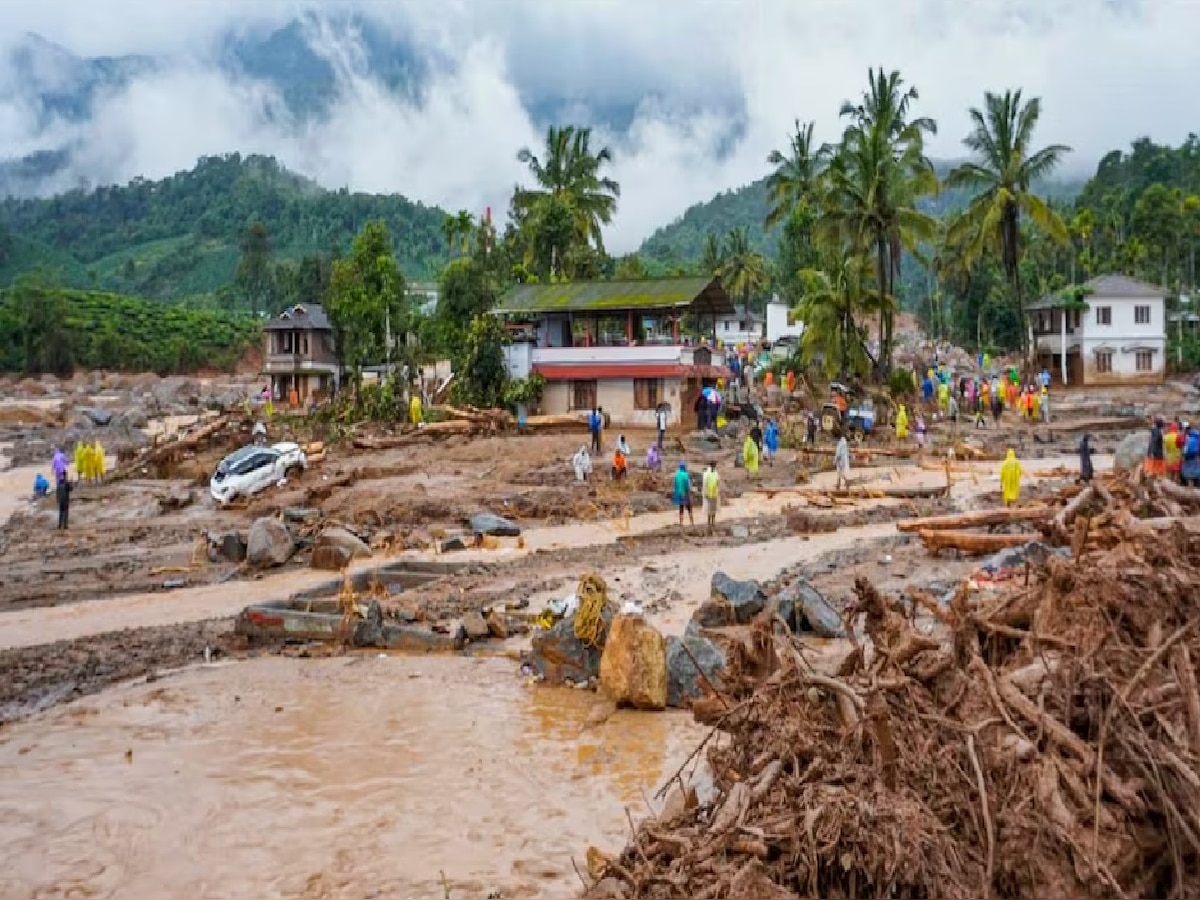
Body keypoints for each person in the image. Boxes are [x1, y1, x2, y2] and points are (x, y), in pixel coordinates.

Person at [673, 462, 694, 530]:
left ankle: (681, 523)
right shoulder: (685, 475)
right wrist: (690, 492)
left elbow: (675, 484)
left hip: (679, 494)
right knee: (689, 509)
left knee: (681, 508)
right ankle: (692, 523)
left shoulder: (677, 475)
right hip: (685, 493)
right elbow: (687, 485)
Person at [702, 462, 720, 535]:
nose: (714, 467)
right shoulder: (707, 473)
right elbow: (705, 483)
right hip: (709, 493)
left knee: (714, 508)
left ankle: (713, 521)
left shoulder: (716, 473)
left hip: (714, 493)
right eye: (713, 466)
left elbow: (718, 482)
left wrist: (718, 491)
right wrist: (705, 492)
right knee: (709, 508)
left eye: (714, 466)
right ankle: (709, 522)